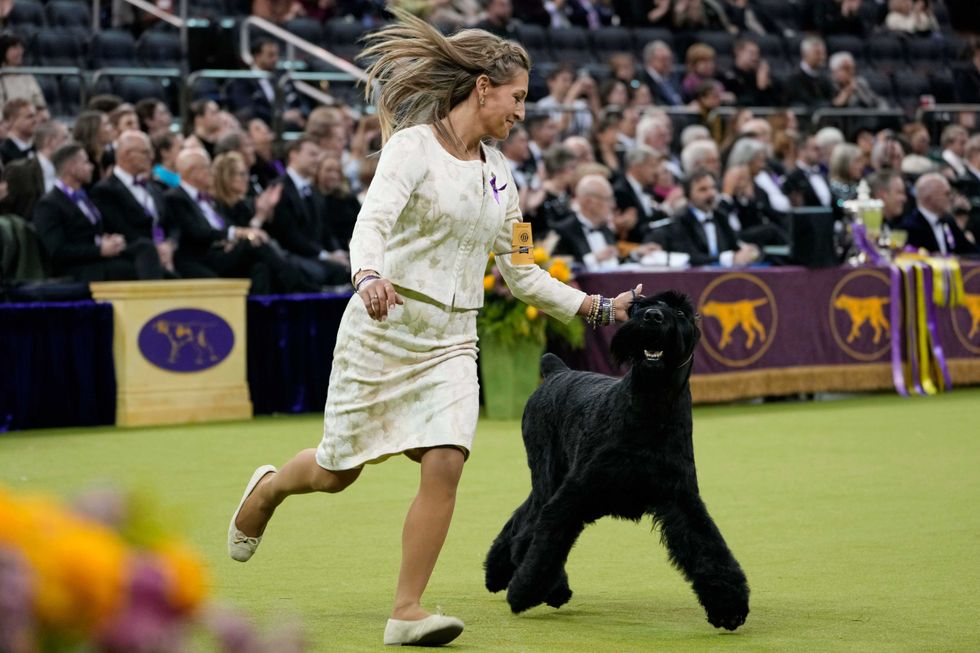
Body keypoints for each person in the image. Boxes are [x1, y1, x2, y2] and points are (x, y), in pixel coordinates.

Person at [225, 9, 641, 648]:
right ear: (482, 88)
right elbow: (373, 224)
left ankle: (406, 610)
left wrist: (597, 308)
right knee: (338, 472)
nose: (522, 111)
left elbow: (523, 275)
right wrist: (366, 277)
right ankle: (270, 489)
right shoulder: (410, 148)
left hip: (453, 339)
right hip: (383, 326)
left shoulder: (502, 174)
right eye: (517, 97)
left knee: (446, 459)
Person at [33, 143, 165, 282]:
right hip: (78, 268)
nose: (91, 167)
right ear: (71, 168)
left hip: (97, 260)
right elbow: (57, 251)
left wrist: (107, 240)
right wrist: (99, 250)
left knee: (145, 247)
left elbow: (90, 234)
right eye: (85, 162)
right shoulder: (49, 204)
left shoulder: (83, 197)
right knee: (141, 269)